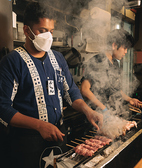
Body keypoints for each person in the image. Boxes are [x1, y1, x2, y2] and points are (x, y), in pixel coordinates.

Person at [0, 2, 103, 168]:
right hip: (26, 144)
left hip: (59, 137)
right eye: (42, 31)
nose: (48, 36)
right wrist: (40, 125)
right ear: (27, 30)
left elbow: (71, 92)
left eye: (51, 31)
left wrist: (88, 110)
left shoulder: (58, 58)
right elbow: (3, 108)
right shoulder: (12, 62)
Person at [81, 29, 142, 118]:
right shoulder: (98, 61)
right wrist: (104, 109)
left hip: (111, 114)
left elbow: (115, 89)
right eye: (124, 48)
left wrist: (129, 99)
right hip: (98, 115)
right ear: (114, 45)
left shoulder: (115, 63)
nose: (125, 52)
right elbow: (84, 89)